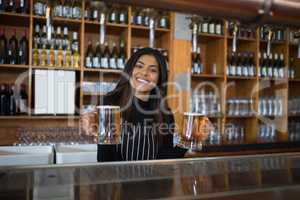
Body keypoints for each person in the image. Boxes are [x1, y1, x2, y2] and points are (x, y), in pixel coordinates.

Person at [82, 47, 188, 162]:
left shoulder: (165, 113)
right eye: (139, 66)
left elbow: (166, 161)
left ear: (159, 78)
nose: (144, 73)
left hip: (153, 179)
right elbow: (105, 159)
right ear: (130, 70)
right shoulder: (110, 104)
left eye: (153, 70)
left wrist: (189, 139)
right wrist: (91, 126)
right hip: (116, 178)